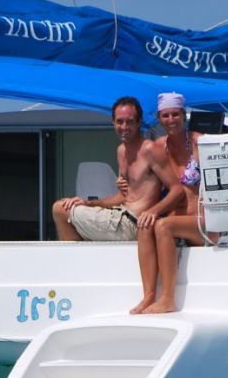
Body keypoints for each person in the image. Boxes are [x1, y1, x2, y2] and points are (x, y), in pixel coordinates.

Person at [131, 92, 217, 314]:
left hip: (206, 223)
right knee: (145, 225)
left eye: (175, 114)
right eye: (166, 115)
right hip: (178, 221)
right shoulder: (159, 147)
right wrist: (123, 181)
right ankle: (149, 295)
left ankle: (168, 298)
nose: (171, 120)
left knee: (163, 225)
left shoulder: (202, 143)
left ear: (184, 114)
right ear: (159, 117)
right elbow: (140, 176)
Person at [52, 96, 181, 241]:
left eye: (130, 122)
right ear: (113, 122)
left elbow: (177, 189)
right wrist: (89, 203)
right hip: (119, 217)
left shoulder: (150, 149)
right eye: (120, 121)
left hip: (133, 223)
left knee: (59, 209)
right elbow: (123, 196)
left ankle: (73, 262)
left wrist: (153, 212)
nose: (124, 127)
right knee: (66, 205)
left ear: (139, 123)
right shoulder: (121, 151)